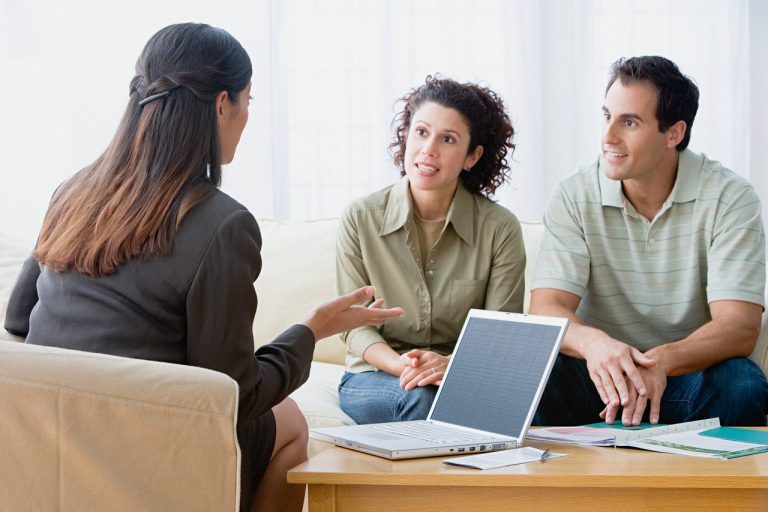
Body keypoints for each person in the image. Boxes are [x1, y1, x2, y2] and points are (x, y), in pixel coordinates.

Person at [3, 23, 403, 512]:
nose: (247, 115)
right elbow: (234, 394)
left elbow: (18, 321)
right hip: (157, 449)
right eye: (248, 100)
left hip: (58, 447)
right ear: (221, 104)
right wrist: (311, 330)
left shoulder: (73, 192)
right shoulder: (221, 223)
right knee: (293, 422)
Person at [531, 55, 768, 427]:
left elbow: (739, 326)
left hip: (682, 376)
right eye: (607, 116)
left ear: (673, 133)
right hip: (598, 375)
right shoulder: (574, 194)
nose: (608, 137)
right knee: (533, 371)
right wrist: (597, 347)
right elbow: (547, 308)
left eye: (629, 122)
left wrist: (661, 362)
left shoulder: (730, 197)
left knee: (742, 384)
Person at [336, 76, 525, 424]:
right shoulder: (360, 218)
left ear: (472, 156)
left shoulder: (499, 228)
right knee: (423, 398)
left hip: (462, 375)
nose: (429, 149)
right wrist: (403, 366)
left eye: (448, 139)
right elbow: (353, 325)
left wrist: (451, 366)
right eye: (421, 132)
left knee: (518, 400)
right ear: (407, 136)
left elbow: (500, 335)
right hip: (375, 375)